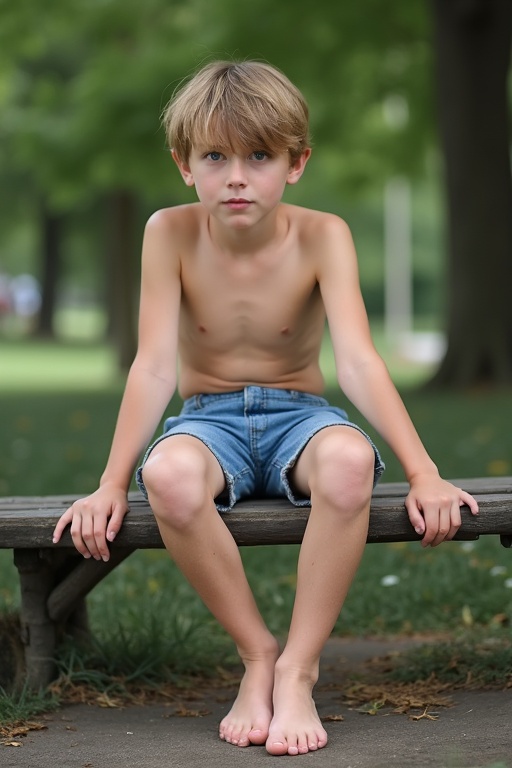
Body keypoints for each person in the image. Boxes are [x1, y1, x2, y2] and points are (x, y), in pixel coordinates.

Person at [53, 60, 479, 757]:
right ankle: (257, 654)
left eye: (259, 156)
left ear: (296, 163)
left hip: (299, 416)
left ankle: (299, 669)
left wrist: (424, 470)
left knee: (346, 464)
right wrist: (109, 482)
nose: (237, 176)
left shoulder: (322, 237)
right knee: (167, 478)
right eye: (215, 156)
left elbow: (362, 363)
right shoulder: (169, 233)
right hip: (207, 419)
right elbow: (155, 363)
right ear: (185, 165)